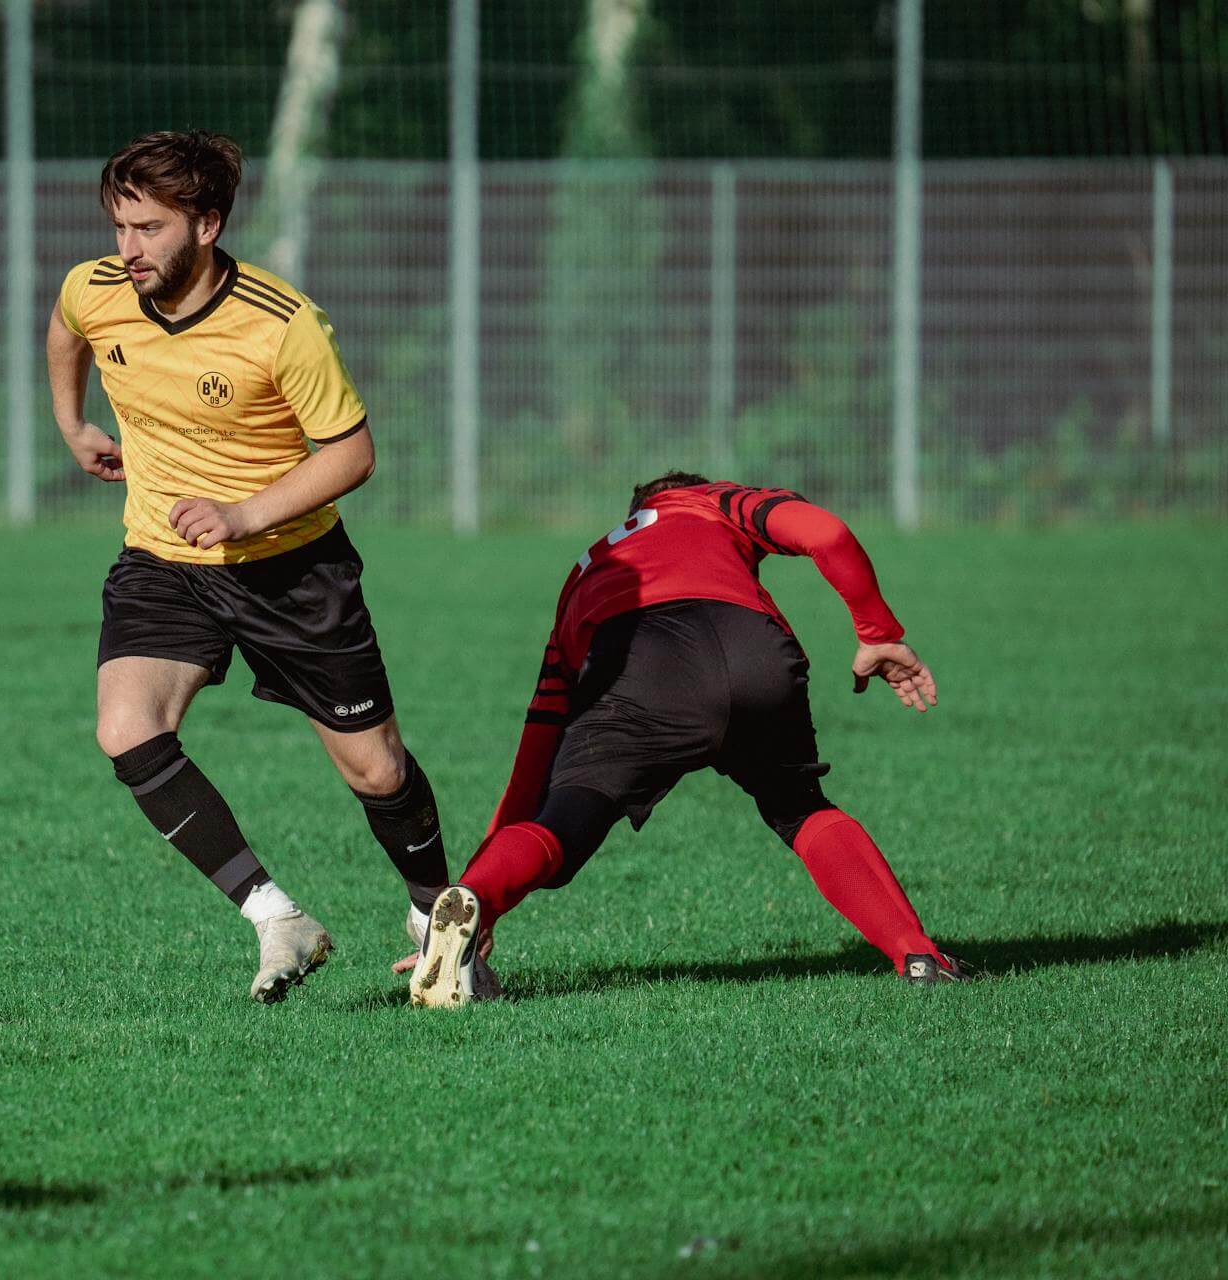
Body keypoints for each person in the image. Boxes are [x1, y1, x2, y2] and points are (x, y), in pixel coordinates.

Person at [47, 130, 487, 1003]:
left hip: (292, 570)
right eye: (119, 225)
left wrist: (243, 513)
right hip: (165, 560)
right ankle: (275, 915)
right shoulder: (97, 289)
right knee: (125, 726)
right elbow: (66, 328)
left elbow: (353, 453)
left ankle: (438, 918)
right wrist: (72, 423)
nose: (126, 248)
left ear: (207, 225)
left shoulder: (281, 324)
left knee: (377, 771)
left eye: (148, 228)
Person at [407, 472, 966, 1008]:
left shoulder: (584, 572)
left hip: (638, 660)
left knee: (561, 823)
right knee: (800, 809)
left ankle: (470, 903)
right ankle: (918, 956)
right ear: (691, 489)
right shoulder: (713, 501)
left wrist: (481, 898)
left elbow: (538, 742)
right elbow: (828, 533)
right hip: (753, 652)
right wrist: (878, 633)